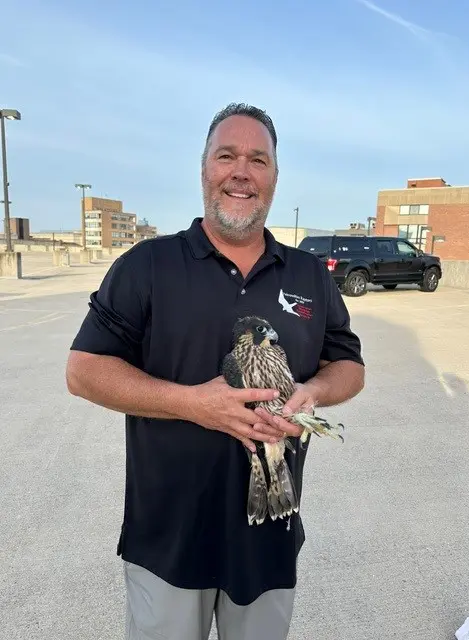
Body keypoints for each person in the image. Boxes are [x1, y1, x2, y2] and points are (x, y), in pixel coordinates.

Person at [66, 102, 365, 640]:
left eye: (258, 159)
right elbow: (83, 370)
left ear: (274, 176)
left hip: (270, 526)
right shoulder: (147, 266)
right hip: (169, 536)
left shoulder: (309, 276)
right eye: (226, 156)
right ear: (205, 168)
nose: (241, 172)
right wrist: (193, 404)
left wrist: (311, 393)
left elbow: (348, 364)